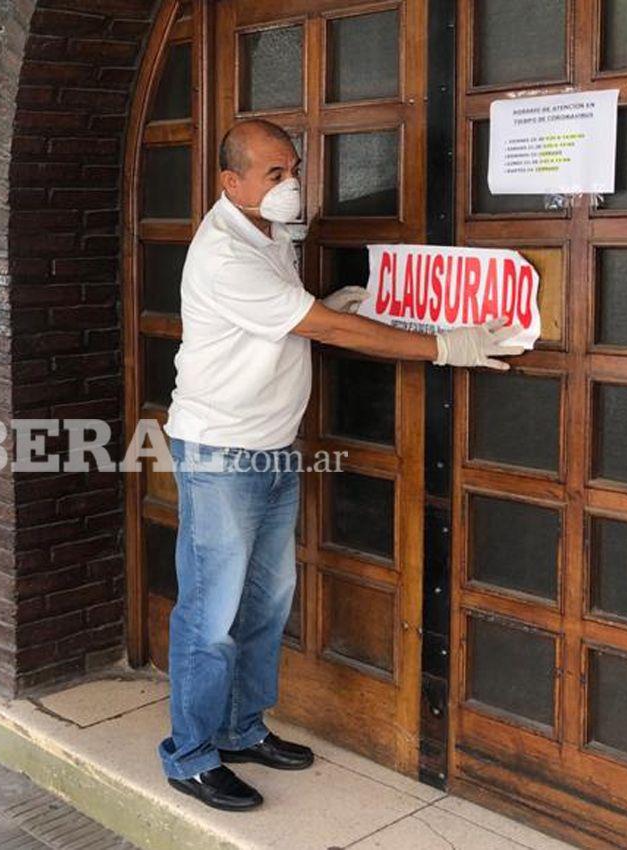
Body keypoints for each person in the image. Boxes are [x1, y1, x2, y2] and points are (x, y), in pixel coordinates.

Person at [160, 119, 520, 811]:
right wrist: (440, 347)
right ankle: (191, 756)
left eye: (292, 168)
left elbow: (292, 322)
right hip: (220, 454)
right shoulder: (223, 255)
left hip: (271, 445)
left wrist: (321, 303)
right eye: (273, 173)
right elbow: (319, 330)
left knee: (265, 604)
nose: (290, 184)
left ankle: (240, 729)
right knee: (210, 616)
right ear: (229, 182)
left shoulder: (265, 235)